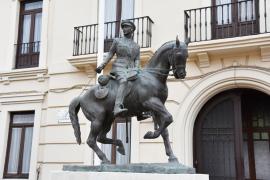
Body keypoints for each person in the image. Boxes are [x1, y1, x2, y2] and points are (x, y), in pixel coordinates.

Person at [96, 20, 140, 117]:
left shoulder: (136, 46)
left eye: (126, 27)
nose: (124, 29)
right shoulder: (117, 41)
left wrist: (136, 68)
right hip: (119, 67)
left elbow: (137, 59)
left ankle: (139, 111)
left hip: (131, 68)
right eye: (123, 27)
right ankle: (116, 107)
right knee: (123, 81)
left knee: (141, 84)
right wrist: (102, 65)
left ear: (131, 29)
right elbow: (110, 54)